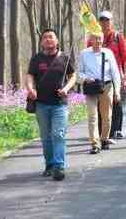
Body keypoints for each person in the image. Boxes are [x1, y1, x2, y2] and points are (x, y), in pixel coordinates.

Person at [26, 29, 76, 181]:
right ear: (41, 42)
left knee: (58, 134)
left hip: (60, 104)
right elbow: (29, 76)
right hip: (41, 104)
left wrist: (66, 89)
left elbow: (73, 75)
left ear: (57, 41)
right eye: (45, 37)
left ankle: (59, 166)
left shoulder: (64, 58)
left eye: (51, 37)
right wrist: (30, 89)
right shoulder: (36, 59)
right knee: (46, 137)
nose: (48, 40)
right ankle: (49, 165)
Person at [79, 32, 122, 154]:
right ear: (90, 40)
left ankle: (104, 139)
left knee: (107, 116)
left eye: (100, 39)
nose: (97, 41)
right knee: (92, 116)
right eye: (95, 38)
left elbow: (115, 73)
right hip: (91, 87)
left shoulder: (108, 53)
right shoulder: (84, 53)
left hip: (107, 86)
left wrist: (117, 91)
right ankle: (94, 143)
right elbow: (79, 73)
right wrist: (86, 78)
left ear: (102, 40)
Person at [98, 10, 126, 140]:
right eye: (102, 20)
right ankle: (103, 131)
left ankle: (117, 129)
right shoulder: (94, 37)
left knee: (116, 102)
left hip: (116, 75)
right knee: (101, 104)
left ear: (111, 22)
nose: (105, 23)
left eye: (107, 20)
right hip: (100, 75)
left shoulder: (117, 37)